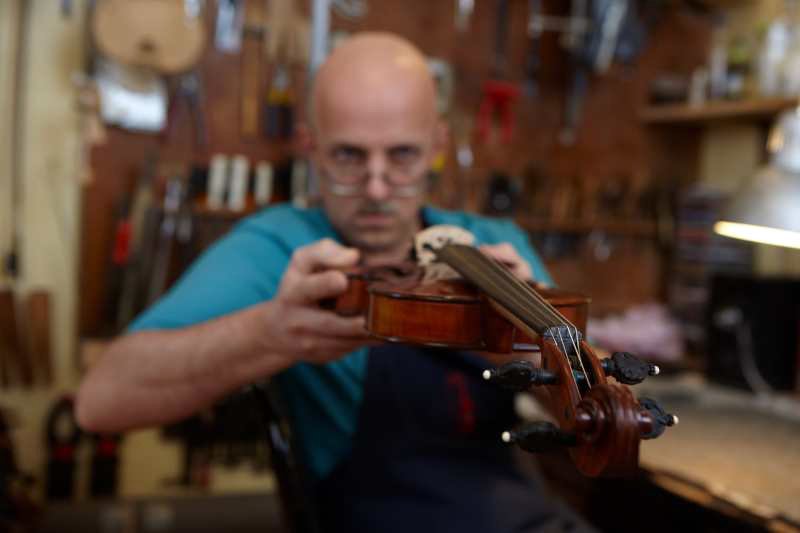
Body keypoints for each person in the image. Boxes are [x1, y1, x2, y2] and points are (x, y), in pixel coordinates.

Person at [77, 32, 593, 533]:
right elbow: (101, 401)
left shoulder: (492, 243)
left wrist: (533, 354)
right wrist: (271, 333)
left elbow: (587, 415)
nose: (374, 187)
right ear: (311, 146)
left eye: (402, 156)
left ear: (437, 144)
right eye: (348, 156)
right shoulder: (278, 246)